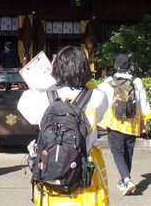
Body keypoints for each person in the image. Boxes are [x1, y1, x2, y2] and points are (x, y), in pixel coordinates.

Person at [17, 46, 109, 205]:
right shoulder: (98, 96)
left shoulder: (39, 96)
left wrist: (49, 81)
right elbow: (99, 117)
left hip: (51, 164)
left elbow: (26, 111)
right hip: (85, 166)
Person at [97, 54, 151, 196]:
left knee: (117, 151)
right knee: (128, 151)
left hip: (115, 120)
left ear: (116, 65)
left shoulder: (110, 81)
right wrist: (145, 120)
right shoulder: (137, 81)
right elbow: (143, 101)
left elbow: (99, 97)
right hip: (133, 120)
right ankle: (124, 179)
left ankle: (126, 180)